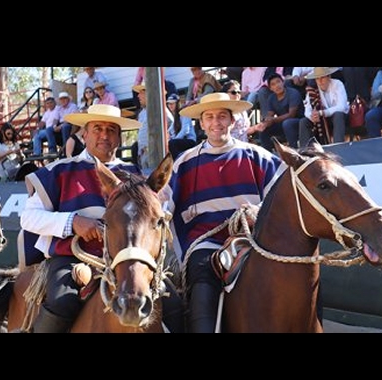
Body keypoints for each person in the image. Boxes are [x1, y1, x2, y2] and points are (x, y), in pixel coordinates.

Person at [20, 104, 185, 333]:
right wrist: (73, 222)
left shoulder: (134, 175)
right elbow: (28, 218)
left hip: (127, 261)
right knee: (62, 301)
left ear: (119, 137)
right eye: (97, 129)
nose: (104, 135)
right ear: (84, 133)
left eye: (111, 130)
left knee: (174, 305)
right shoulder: (58, 171)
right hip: (72, 259)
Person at [170, 92, 285, 333]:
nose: (216, 123)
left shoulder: (257, 156)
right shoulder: (184, 162)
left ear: (232, 121)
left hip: (253, 240)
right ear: (201, 123)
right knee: (202, 282)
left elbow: (284, 196)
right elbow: (163, 205)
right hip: (205, 242)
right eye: (209, 117)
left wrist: (260, 212)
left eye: (222, 116)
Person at [298, 67, 349, 145]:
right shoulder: (312, 89)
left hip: (339, 117)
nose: (320, 81)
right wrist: (312, 116)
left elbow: (342, 107)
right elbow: (307, 111)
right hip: (320, 119)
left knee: (338, 115)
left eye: (322, 77)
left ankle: (338, 147)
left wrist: (322, 113)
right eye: (317, 78)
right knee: (303, 121)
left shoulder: (337, 84)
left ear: (329, 76)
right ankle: (305, 152)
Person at [166, 93, 196, 159]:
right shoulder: (175, 116)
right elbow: (170, 131)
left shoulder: (184, 113)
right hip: (181, 141)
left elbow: (185, 130)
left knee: (172, 143)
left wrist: (174, 139)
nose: (170, 105)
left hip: (190, 141)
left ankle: (178, 162)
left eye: (172, 103)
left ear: (177, 104)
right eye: (168, 103)